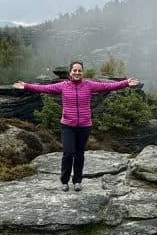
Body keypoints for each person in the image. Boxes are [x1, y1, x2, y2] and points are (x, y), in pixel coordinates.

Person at [13, 61, 141, 191]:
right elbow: (43, 88)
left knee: (79, 154)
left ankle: (77, 181)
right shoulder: (63, 86)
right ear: (70, 72)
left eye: (79, 70)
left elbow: (107, 86)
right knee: (68, 154)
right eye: (74, 70)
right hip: (68, 125)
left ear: (82, 72)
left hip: (84, 126)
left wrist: (125, 83)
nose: (77, 73)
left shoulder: (89, 85)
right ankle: (64, 181)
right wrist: (26, 86)